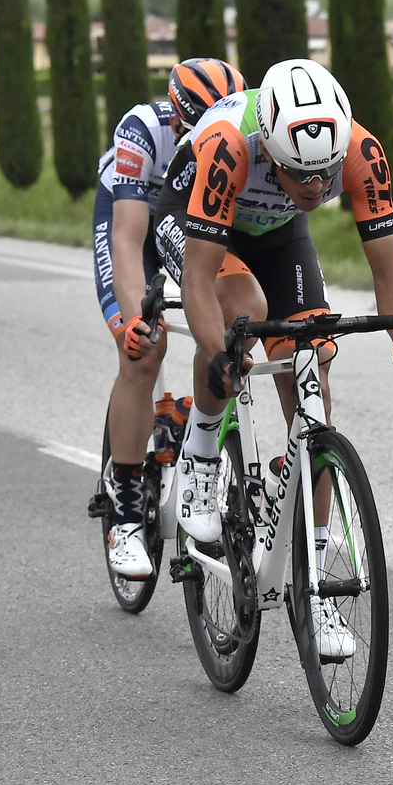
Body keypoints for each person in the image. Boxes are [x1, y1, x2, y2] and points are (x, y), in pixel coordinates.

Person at [152, 57, 393, 658]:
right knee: (241, 316)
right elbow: (200, 281)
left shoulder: (363, 152)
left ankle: (319, 585)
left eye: (323, 176)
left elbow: (388, 274)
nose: (314, 189)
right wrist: (216, 355)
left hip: (277, 233)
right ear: (267, 146)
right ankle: (201, 456)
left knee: (311, 361)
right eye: (297, 174)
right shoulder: (231, 146)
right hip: (196, 220)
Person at [95, 57, 247, 579]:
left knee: (229, 323)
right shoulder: (143, 130)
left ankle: (190, 426)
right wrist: (135, 319)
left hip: (194, 219)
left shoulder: (237, 139)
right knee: (144, 348)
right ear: (182, 122)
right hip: (132, 219)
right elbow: (128, 239)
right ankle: (127, 512)